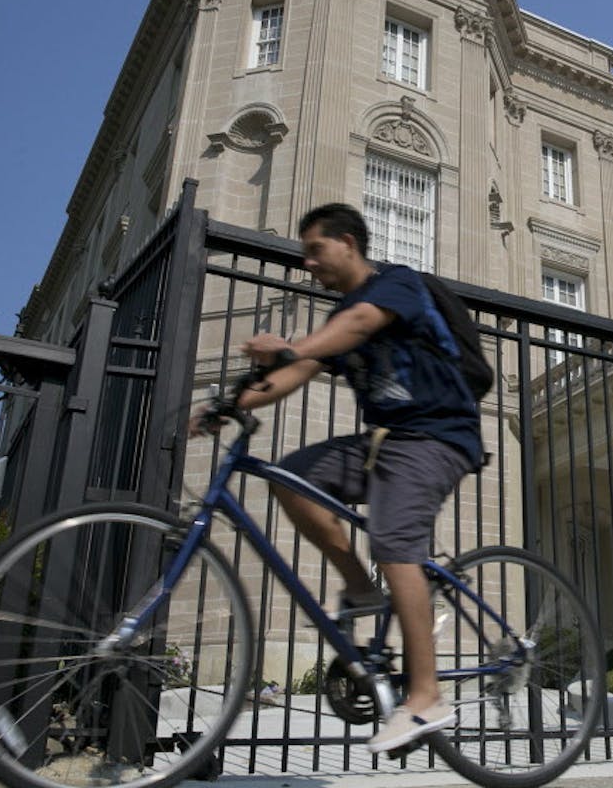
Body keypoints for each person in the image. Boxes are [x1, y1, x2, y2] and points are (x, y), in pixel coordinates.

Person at [189, 202, 482, 754]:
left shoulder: (396, 284)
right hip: (384, 442)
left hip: (438, 436)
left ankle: (426, 698)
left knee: (394, 541)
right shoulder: (339, 315)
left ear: (348, 243)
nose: (307, 263)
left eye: (315, 250)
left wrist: (291, 346)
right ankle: (360, 589)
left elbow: (359, 325)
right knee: (289, 477)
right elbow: (297, 372)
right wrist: (228, 405)